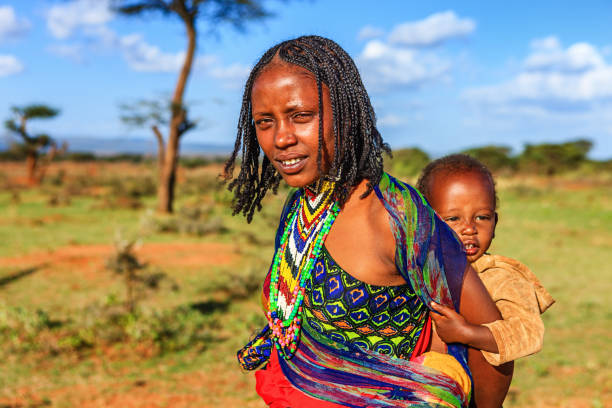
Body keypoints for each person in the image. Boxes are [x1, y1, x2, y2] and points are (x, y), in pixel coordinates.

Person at [224, 36, 512, 407]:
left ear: (345, 114)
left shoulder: (395, 217)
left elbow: (494, 339)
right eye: (265, 122)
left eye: (301, 116)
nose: (280, 137)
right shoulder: (302, 205)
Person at [416, 154, 555, 366]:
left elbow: (529, 334)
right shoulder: (416, 270)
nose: (470, 228)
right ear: (425, 223)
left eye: (482, 217)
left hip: (471, 394)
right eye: (453, 219)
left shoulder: (502, 276)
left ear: (495, 223)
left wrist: (467, 333)